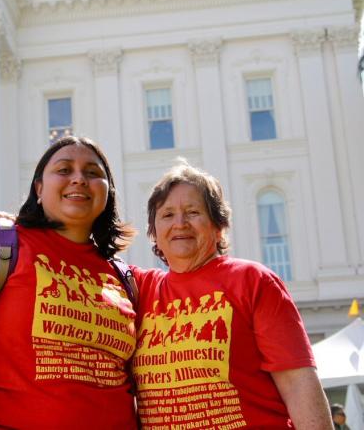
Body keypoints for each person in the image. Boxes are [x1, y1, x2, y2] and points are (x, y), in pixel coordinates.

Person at [0, 136, 138, 430]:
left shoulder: (125, 278)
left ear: (108, 193)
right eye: (64, 170)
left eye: (93, 173)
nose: (79, 179)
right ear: (39, 188)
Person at [131, 160, 333, 429]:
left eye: (192, 212)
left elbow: (298, 382)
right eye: (167, 215)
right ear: (154, 233)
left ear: (218, 225)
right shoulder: (141, 289)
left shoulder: (252, 280)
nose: (179, 223)